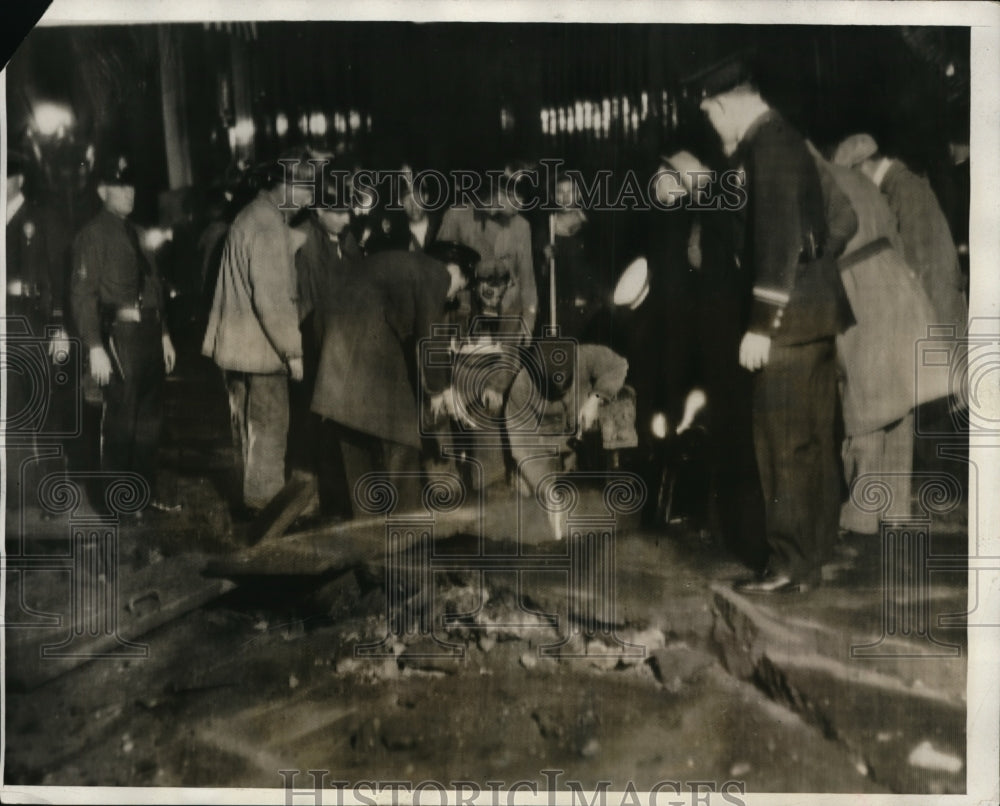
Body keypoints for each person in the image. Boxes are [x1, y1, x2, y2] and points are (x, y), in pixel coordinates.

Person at [697, 57, 854, 593]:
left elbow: (777, 234)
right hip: (815, 315)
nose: (714, 129)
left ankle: (787, 565)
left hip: (784, 324)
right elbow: (828, 225)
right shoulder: (789, 139)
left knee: (780, 442)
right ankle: (812, 555)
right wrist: (811, 273)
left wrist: (761, 323)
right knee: (811, 438)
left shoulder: (767, 145)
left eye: (711, 117)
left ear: (722, 105)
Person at [809, 145, 951, 535]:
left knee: (866, 402)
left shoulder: (818, 181)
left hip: (861, 287)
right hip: (898, 285)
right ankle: (894, 507)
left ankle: (861, 512)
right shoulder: (860, 181)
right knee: (898, 401)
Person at [310, 241, 479, 517]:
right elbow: (431, 336)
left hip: (335, 357)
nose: (452, 294)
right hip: (367, 351)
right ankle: (407, 530)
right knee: (402, 440)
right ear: (453, 268)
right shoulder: (436, 272)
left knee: (356, 444)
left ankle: (367, 532)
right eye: (460, 286)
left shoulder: (399, 266)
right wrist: (439, 391)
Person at [201, 157, 314, 516]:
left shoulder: (252, 216)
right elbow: (271, 298)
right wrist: (293, 352)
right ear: (287, 185)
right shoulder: (267, 225)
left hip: (236, 348)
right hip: (262, 349)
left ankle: (249, 504)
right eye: (306, 190)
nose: (308, 200)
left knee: (246, 429)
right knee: (269, 426)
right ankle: (265, 510)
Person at [70, 153, 177, 517]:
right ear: (102, 191)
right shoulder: (92, 236)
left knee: (149, 421)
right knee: (121, 423)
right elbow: (83, 296)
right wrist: (95, 347)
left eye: (130, 185)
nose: (129, 193)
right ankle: (118, 504)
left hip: (148, 334)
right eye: (120, 186)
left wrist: (164, 334)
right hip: (121, 337)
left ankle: (142, 498)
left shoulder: (138, 233)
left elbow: (154, 286)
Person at [832, 134, 968, 334]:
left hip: (938, 315)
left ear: (861, 167)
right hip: (936, 309)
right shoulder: (898, 187)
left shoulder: (904, 190)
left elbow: (921, 264)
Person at [289, 174, 361, 519]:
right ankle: (323, 498)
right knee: (318, 424)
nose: (347, 219)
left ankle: (341, 496)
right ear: (319, 209)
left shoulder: (346, 240)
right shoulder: (303, 242)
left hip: (344, 344)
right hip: (315, 345)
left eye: (349, 211)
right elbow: (301, 302)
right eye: (340, 212)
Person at [6, 150, 73, 520]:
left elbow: (60, 278)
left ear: (17, 180)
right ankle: (16, 496)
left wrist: (59, 326)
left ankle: (52, 495)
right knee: (10, 411)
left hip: (34, 321)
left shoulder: (42, 219)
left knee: (43, 412)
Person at [506, 340, 629, 540]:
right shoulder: (522, 386)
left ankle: (608, 497)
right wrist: (546, 489)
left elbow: (619, 365)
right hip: (543, 444)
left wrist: (596, 398)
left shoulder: (584, 355)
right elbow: (522, 445)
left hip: (583, 432)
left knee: (620, 411)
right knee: (531, 492)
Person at [435, 172, 538, 337]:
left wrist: (529, 319)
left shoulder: (521, 226)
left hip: (507, 320)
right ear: (499, 194)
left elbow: (527, 277)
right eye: (516, 198)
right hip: (463, 316)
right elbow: (438, 269)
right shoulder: (456, 215)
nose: (521, 205)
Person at [537, 173, 603, 340]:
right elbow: (538, 275)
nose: (566, 197)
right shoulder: (545, 228)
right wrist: (544, 258)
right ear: (553, 196)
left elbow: (600, 271)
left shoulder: (591, 227)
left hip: (587, 310)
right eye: (560, 192)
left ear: (579, 194)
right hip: (555, 310)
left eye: (571, 191)